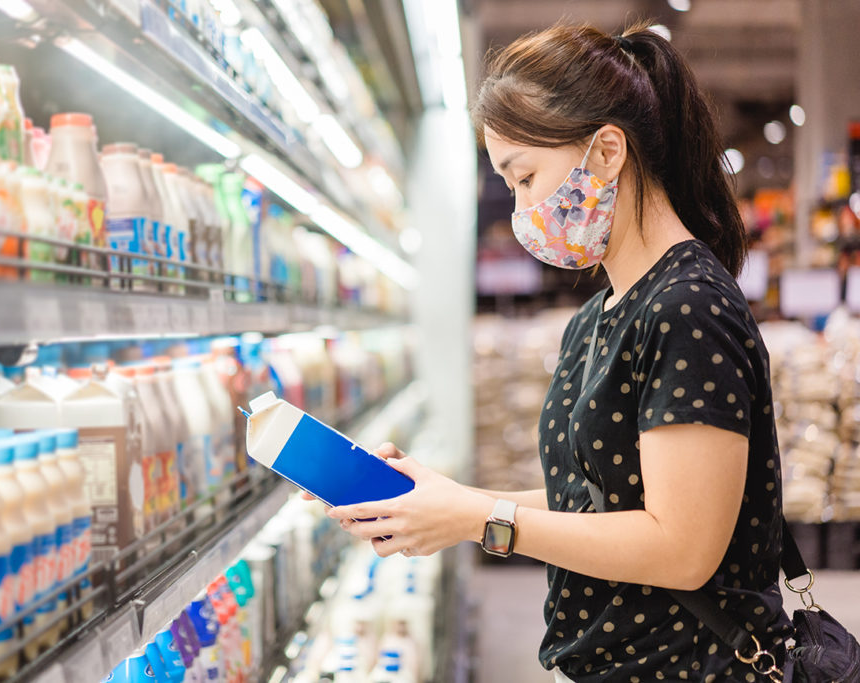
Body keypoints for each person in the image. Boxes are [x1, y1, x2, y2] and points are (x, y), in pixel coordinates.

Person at [325, 21, 793, 682]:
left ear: (607, 153)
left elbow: (683, 547)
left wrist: (483, 517)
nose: (519, 211)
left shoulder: (687, 309)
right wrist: (451, 502)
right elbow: (595, 501)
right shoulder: (597, 317)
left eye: (525, 177)